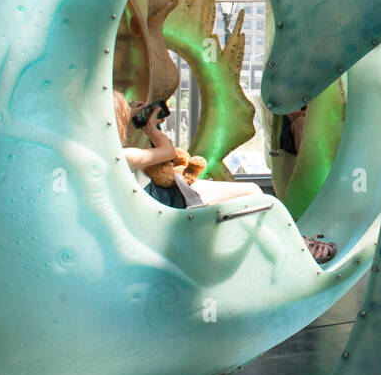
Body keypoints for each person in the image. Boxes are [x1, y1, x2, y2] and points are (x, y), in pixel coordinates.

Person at [114, 92, 338, 263]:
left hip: (168, 194)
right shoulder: (124, 156)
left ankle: (297, 241)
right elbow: (168, 151)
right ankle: (300, 247)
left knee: (253, 194)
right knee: (255, 194)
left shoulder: (109, 156)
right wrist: (149, 126)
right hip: (170, 201)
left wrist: (129, 113)